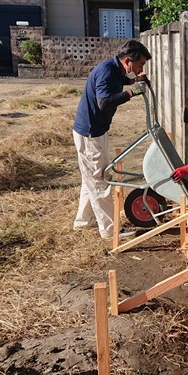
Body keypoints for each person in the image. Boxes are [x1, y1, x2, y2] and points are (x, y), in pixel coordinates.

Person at [72, 39, 151, 238]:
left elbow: (119, 81)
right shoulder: (107, 71)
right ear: (127, 61)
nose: (141, 68)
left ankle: (84, 221)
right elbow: (104, 102)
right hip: (91, 133)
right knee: (99, 180)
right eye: (140, 64)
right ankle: (110, 230)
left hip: (94, 131)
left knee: (90, 178)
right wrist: (131, 92)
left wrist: (134, 80)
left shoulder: (114, 70)